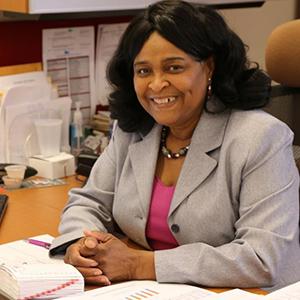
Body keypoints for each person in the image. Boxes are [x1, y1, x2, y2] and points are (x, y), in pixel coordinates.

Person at [50, 0, 300, 290]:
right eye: (143, 71)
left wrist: (139, 264)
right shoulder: (135, 128)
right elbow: (89, 201)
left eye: (174, 67)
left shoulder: (261, 138)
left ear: (209, 68)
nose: (156, 85)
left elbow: (261, 258)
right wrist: (82, 245)